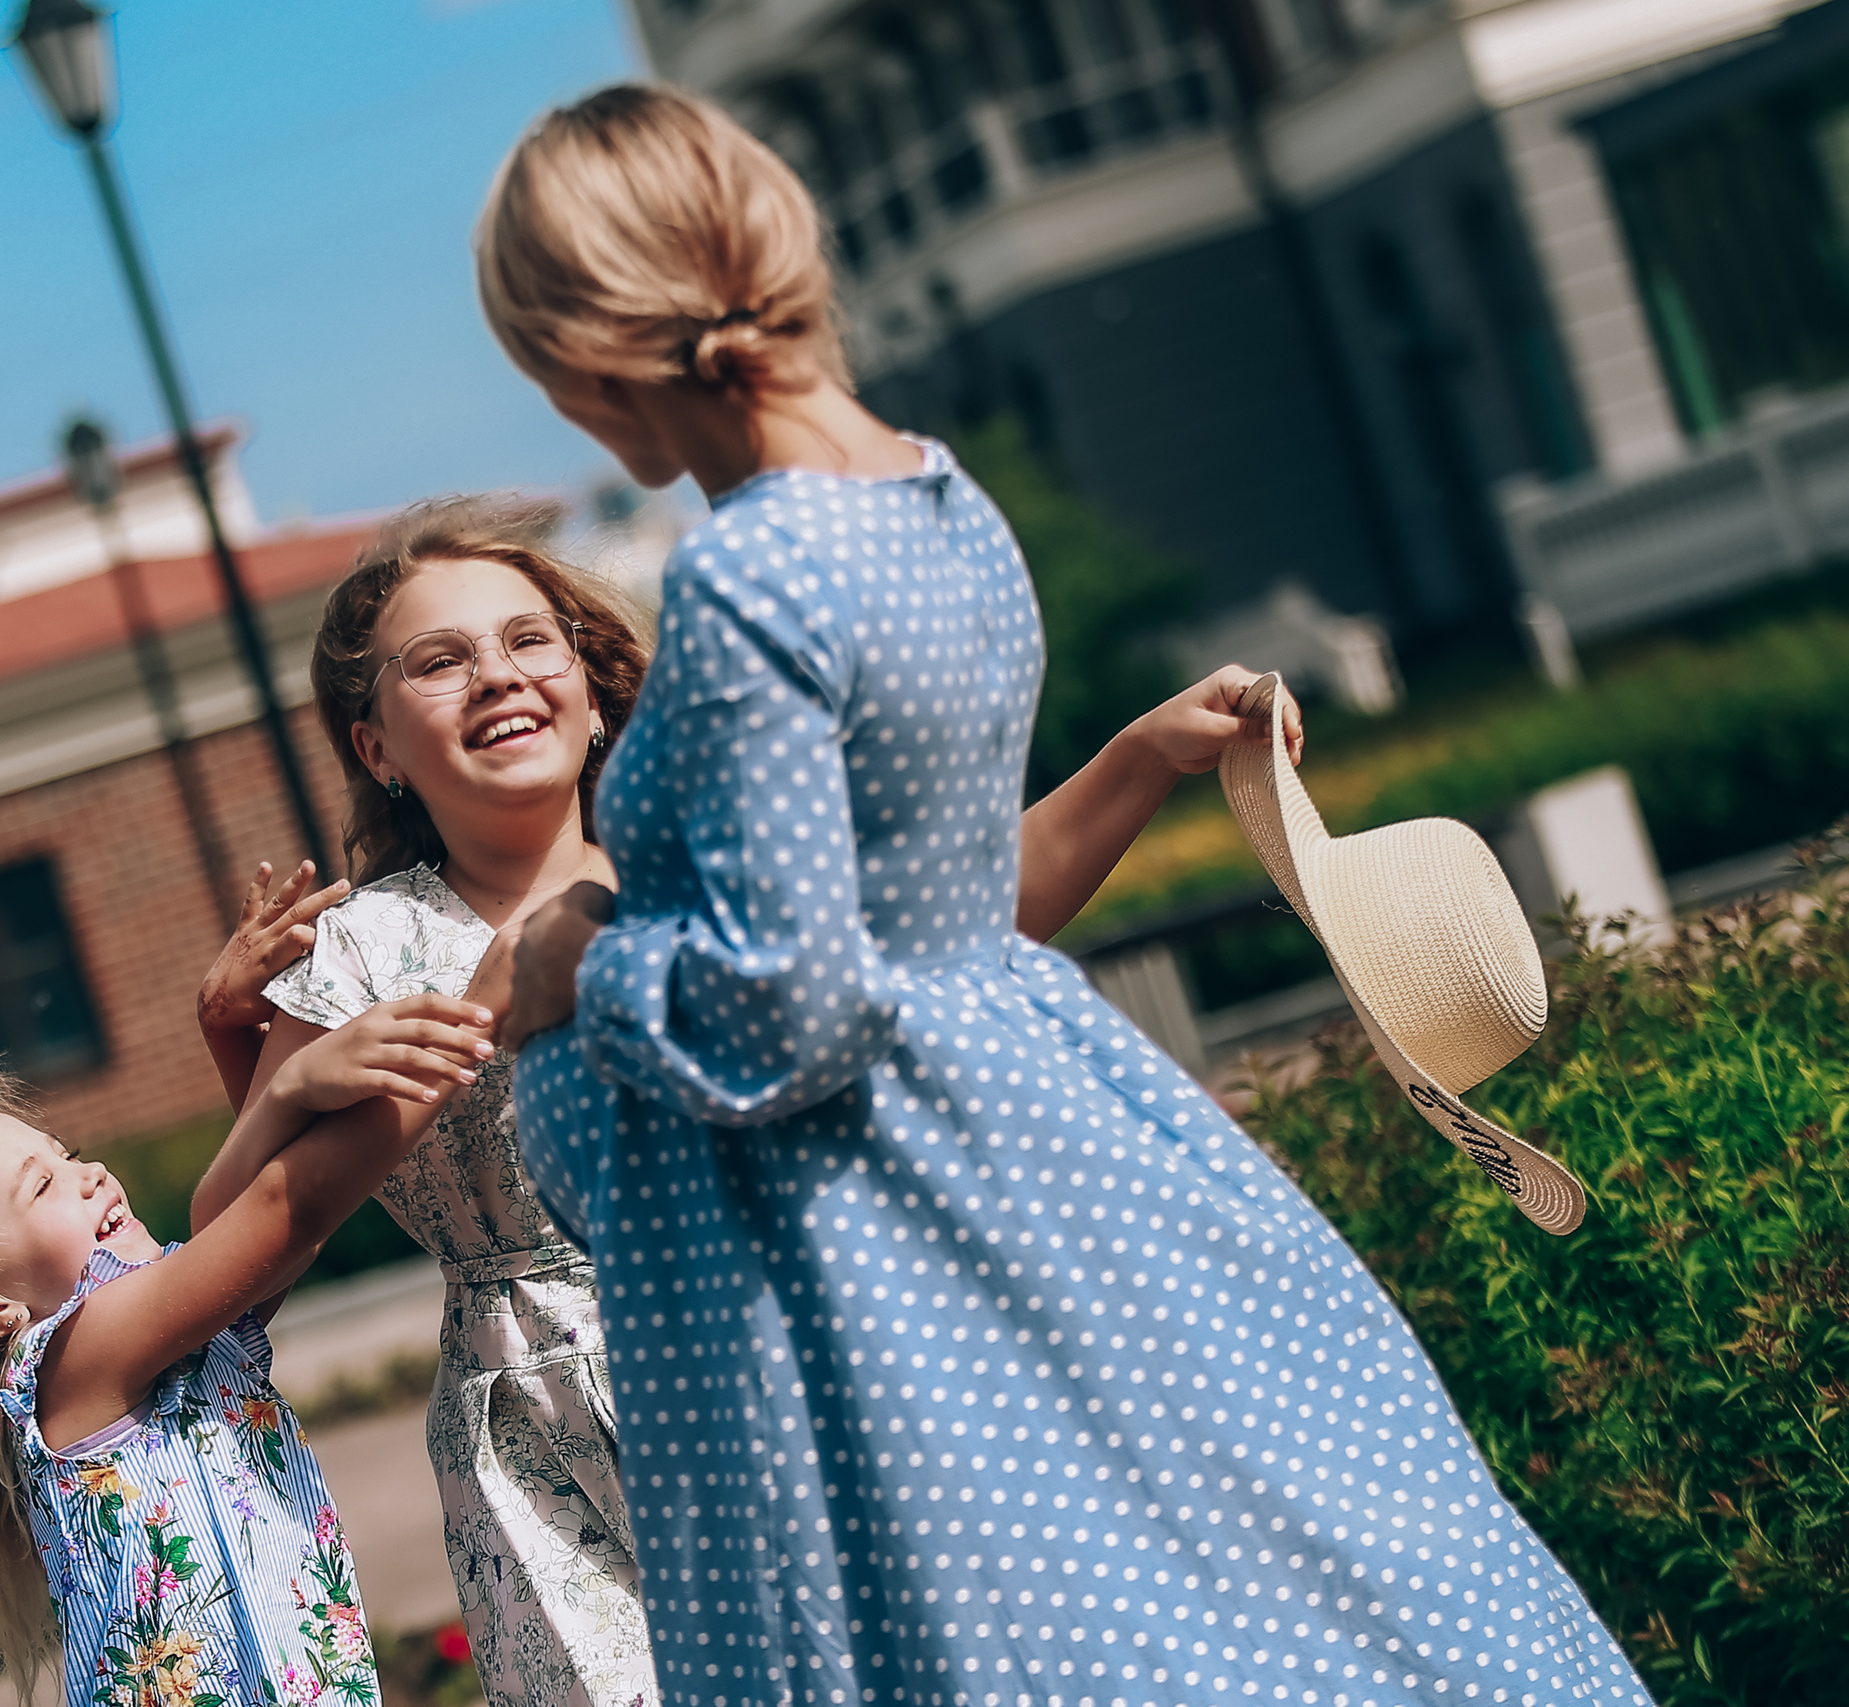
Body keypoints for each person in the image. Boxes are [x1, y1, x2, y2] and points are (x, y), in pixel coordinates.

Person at [476, 83, 1654, 1707]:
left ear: (592, 350)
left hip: (869, 1233)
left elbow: (793, 1007)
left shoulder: (754, 571)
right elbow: (936, 910)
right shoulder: (942, 504)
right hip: (1037, 1138)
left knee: (1009, 1635)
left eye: (541, 366)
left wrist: (579, 964)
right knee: (1231, 1577)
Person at [192, 497, 662, 1707]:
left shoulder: (692, 872)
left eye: (527, 639)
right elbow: (228, 1257)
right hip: (529, 1425)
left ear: (592, 691)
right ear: (377, 750)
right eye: (440, 661)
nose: (495, 674)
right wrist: (285, 1084)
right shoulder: (360, 950)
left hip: (737, 1341)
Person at [0, 994, 492, 1707]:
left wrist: (235, 1030)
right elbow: (287, 1211)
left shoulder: (169, 1343)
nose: (92, 1173)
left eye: (66, 1154)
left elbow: (263, 1225)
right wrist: (482, 1010)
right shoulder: (71, 1367)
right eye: (42, 1185)